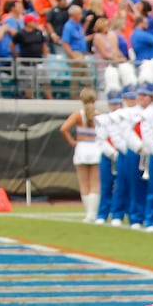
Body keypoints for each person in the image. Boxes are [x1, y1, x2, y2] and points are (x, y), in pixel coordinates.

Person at [61, 87, 104, 224]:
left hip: (82, 148)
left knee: (84, 183)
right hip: (96, 148)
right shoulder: (99, 115)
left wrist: (73, 142)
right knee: (95, 183)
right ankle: (93, 213)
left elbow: (63, 128)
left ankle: (88, 213)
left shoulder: (77, 115)